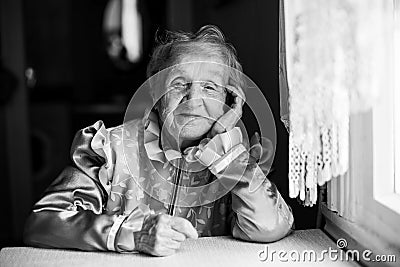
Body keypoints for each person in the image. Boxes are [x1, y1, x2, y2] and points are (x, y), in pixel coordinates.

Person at [23, 25, 294, 256]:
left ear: (228, 100)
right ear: (156, 92)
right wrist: (134, 233)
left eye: (210, 87)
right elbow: (42, 222)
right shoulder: (110, 148)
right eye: (178, 84)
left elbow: (269, 227)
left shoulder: (236, 159)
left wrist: (232, 158)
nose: (193, 98)